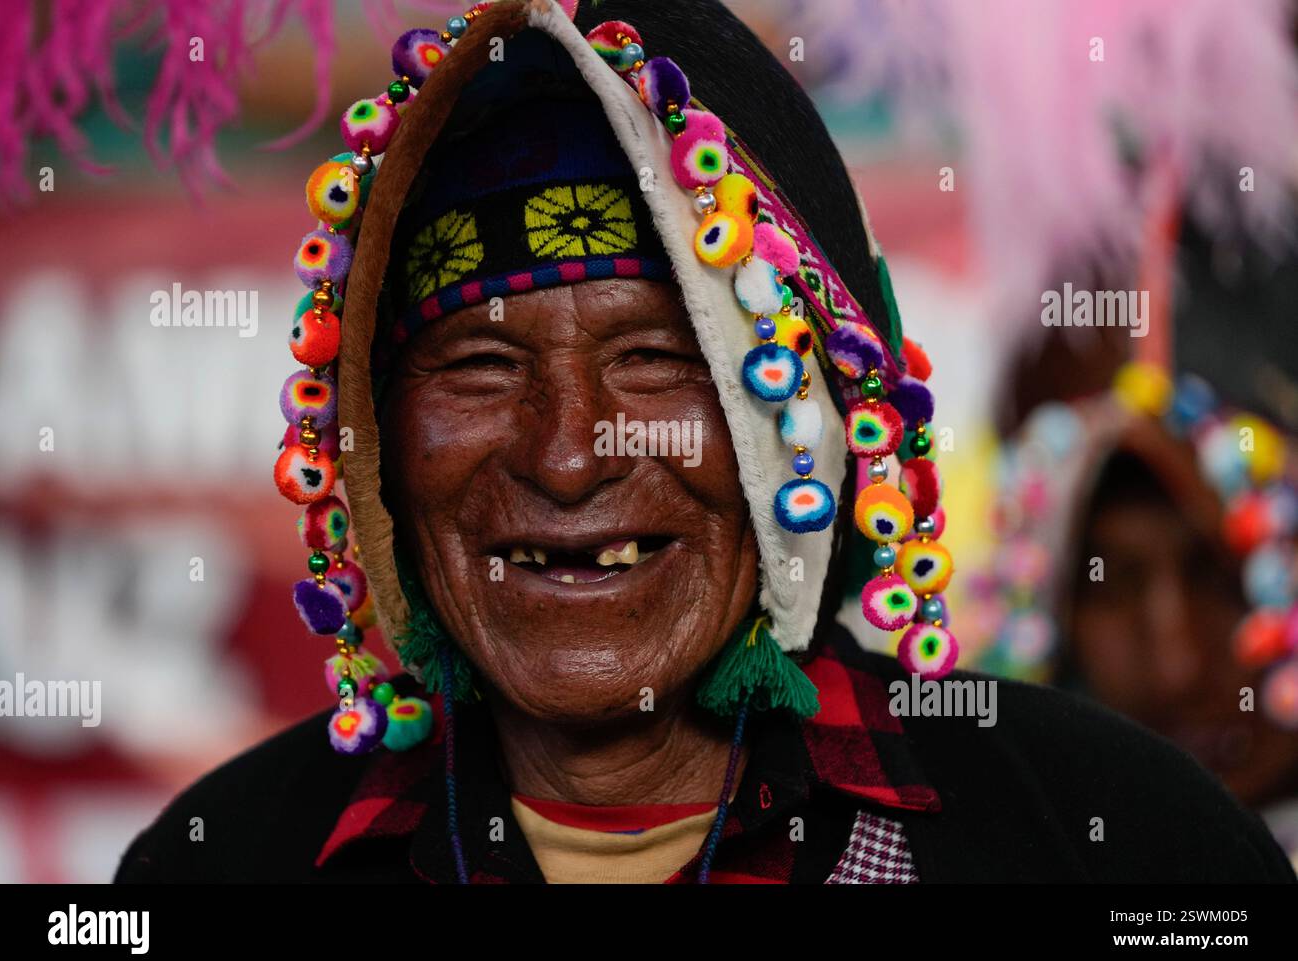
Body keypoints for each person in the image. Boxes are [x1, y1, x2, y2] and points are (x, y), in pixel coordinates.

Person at [116, 0, 1293, 884]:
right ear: (374, 447)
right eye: (478, 366)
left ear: (816, 423)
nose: (567, 455)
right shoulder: (228, 864)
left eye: (656, 360)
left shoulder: (1119, 848)